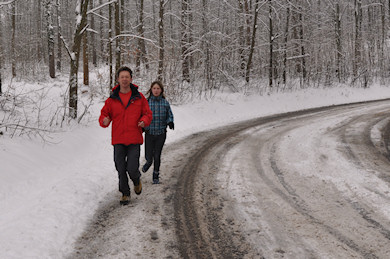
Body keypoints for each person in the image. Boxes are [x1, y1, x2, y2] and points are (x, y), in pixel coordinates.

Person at [99, 66, 152, 205]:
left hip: (134, 138)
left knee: (132, 168)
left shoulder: (138, 97)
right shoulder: (112, 98)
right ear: (118, 79)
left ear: (131, 79)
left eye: (127, 77)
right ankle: (125, 193)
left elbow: (147, 113)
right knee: (120, 167)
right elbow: (105, 114)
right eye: (122, 77)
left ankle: (136, 180)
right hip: (118, 139)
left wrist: (144, 121)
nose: (124, 79)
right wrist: (104, 121)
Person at [142, 81, 174, 184]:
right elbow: (142, 115)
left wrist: (170, 122)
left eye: (158, 89)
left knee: (157, 155)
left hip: (161, 133)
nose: (156, 90)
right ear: (151, 89)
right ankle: (148, 163)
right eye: (154, 88)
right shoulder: (146, 103)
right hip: (149, 133)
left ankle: (155, 175)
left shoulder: (165, 103)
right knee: (149, 155)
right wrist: (142, 124)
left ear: (161, 90)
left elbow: (170, 114)